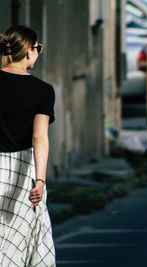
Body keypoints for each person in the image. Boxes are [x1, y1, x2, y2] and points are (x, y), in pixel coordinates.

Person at [0, 25, 56, 266]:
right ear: (30, 51)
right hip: (23, 170)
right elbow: (39, 138)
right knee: (20, 241)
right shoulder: (42, 91)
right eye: (38, 48)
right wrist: (40, 180)